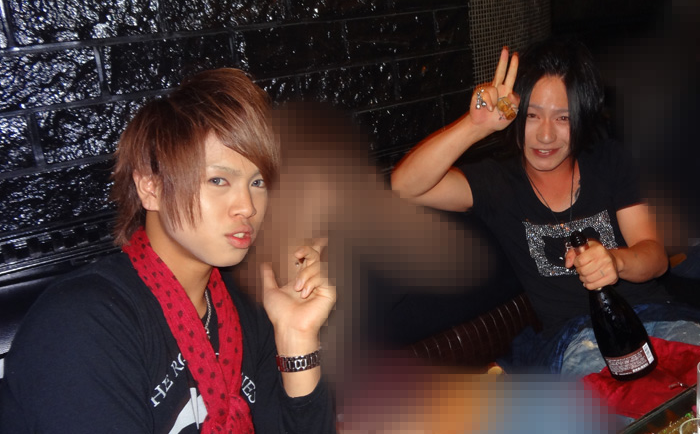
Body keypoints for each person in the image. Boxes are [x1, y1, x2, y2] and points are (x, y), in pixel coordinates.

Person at [0, 69, 337, 433]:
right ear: (151, 188)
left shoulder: (244, 307)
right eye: (218, 180)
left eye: (258, 182)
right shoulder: (82, 322)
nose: (248, 207)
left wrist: (297, 337)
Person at [390, 37, 700, 377]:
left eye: (563, 118)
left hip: (656, 317)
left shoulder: (608, 161)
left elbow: (654, 257)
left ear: (581, 118)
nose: (546, 136)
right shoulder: (498, 182)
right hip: (578, 340)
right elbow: (405, 186)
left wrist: (615, 260)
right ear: (514, 115)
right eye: (532, 115)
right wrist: (473, 126)